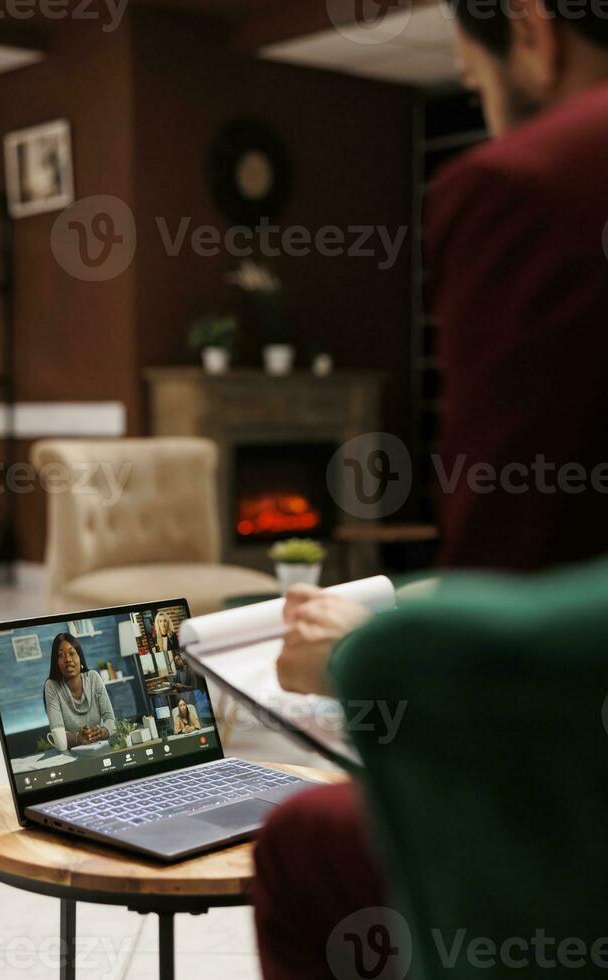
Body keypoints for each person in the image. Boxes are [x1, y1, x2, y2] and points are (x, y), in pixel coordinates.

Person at [253, 0, 608, 975]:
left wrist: (362, 656)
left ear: (532, 28)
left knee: (300, 842)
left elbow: (494, 677)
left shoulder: (527, 187)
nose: (486, 108)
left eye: (475, 81)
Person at [44, 634, 116, 752]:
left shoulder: (93, 677)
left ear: (80, 658)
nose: (67, 659)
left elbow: (110, 719)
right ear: (56, 663)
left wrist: (101, 733)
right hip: (72, 756)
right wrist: (79, 738)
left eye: (72, 653)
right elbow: (59, 735)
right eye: (61, 655)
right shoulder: (52, 686)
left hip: (100, 749)